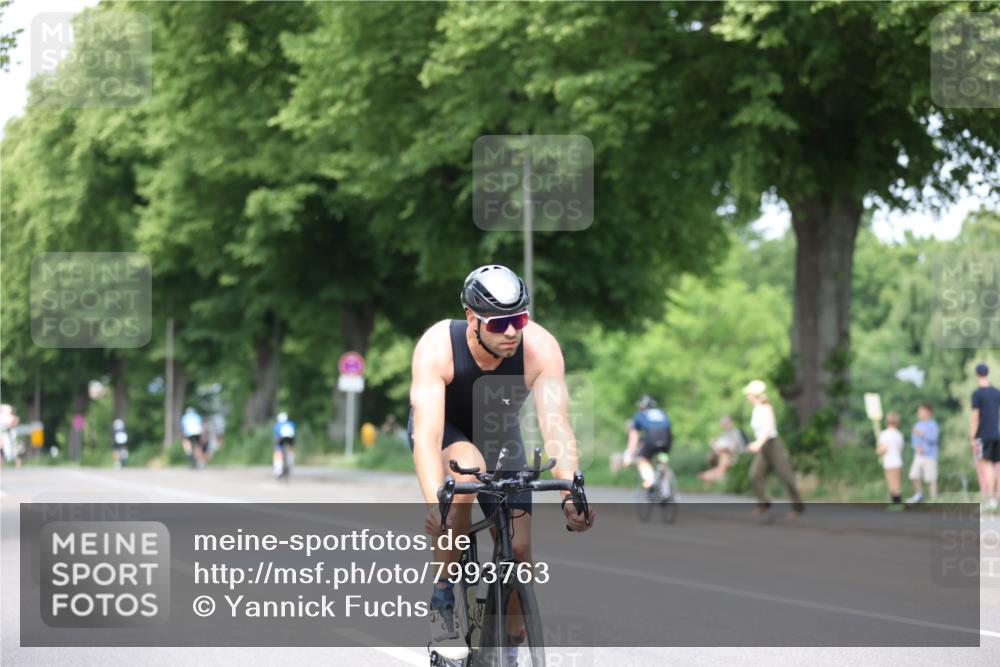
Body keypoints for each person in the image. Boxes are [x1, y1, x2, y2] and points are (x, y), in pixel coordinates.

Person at [408, 264, 595, 662]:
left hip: (498, 432)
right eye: (499, 324)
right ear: (472, 318)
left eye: (519, 319)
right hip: (448, 429)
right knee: (463, 477)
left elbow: (556, 424)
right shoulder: (438, 346)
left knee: (521, 548)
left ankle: (509, 648)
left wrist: (570, 491)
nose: (512, 332)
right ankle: (443, 590)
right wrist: (433, 502)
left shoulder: (540, 348)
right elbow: (426, 433)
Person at [742, 380, 804, 518]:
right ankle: (763, 504)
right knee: (755, 475)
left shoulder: (766, 407)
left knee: (786, 477)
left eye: (749, 394)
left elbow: (769, 428)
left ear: (755, 395)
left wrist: (758, 443)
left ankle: (798, 507)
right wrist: (756, 444)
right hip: (764, 447)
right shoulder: (756, 409)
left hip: (773, 445)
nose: (747, 397)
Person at [624, 395, 673, 496]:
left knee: (643, 460)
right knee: (662, 458)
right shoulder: (661, 412)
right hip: (666, 437)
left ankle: (651, 482)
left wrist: (630, 453)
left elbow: (634, 437)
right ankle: (665, 489)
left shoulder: (640, 414)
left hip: (652, 437)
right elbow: (668, 426)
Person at [970, 363, 1000, 510]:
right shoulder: (997, 392)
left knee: (987, 468)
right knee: (995, 468)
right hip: (996, 434)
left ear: (977, 375)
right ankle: (994, 499)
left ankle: (991, 500)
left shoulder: (977, 394)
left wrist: (972, 437)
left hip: (984, 435)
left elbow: (975, 417)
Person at [698, 415, 746, 484]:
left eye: (726, 423)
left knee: (724, 457)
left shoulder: (736, 433)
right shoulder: (723, 434)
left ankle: (709, 476)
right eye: (723, 423)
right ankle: (714, 476)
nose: (724, 425)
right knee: (713, 455)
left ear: (730, 423)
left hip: (735, 456)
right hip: (723, 455)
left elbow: (735, 448)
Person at [907, 402, 940, 503]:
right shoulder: (917, 425)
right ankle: (919, 495)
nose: (919, 413)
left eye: (921, 411)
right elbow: (914, 439)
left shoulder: (933, 425)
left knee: (931, 478)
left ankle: (934, 499)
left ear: (928, 412)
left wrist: (922, 434)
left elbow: (933, 439)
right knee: (913, 476)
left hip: (929, 455)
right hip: (918, 455)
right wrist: (916, 447)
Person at [876, 411, 904, 507]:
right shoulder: (899, 434)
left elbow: (883, 449)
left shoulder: (884, 434)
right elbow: (900, 449)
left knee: (892, 485)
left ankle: (896, 504)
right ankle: (897, 503)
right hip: (898, 461)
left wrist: (878, 450)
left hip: (889, 462)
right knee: (897, 484)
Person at [272, 411, 297, 478]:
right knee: (290, 450)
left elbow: (276, 436)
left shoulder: (277, 425)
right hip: (290, 441)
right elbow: (294, 433)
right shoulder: (292, 424)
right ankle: (290, 464)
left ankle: (278, 471)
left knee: (278, 452)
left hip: (281, 441)